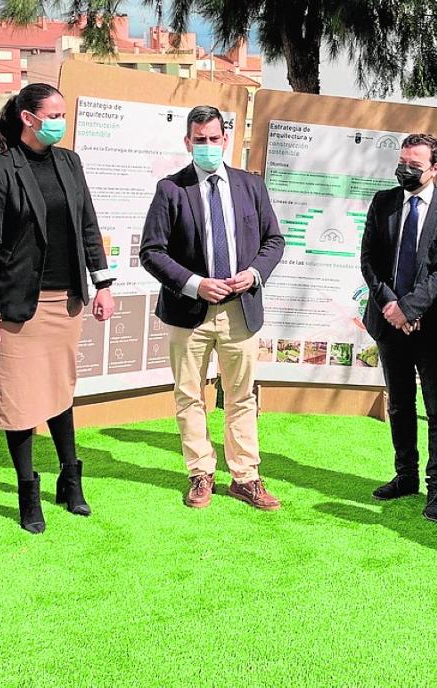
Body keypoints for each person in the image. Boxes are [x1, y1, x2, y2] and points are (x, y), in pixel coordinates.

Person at [0, 83, 115, 534]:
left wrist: (102, 284)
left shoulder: (70, 162)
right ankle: (27, 489)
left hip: (65, 301)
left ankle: (70, 479)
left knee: (58, 391)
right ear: (28, 118)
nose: (60, 122)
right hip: (19, 305)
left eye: (62, 114)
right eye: (53, 115)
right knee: (19, 399)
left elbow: (88, 225)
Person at [140, 105, 285, 510]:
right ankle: (200, 472)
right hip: (188, 313)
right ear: (188, 142)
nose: (208, 145)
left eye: (214, 138)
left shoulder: (250, 186)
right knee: (189, 395)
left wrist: (254, 273)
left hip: (241, 310)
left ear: (226, 139)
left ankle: (246, 477)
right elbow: (151, 251)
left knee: (241, 396)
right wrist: (195, 284)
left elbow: (274, 241)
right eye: (200, 139)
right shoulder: (171, 189)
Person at [360, 133, 437, 523]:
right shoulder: (384, 202)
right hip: (389, 321)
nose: (405, 170)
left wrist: (410, 307)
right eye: (402, 162)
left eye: (414, 165)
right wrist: (392, 306)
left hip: (435, 326)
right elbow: (369, 260)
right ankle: (405, 475)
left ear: (435, 168)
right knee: (399, 403)